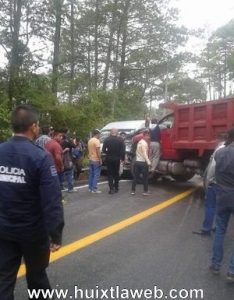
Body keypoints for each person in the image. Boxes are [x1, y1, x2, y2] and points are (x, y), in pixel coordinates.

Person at [0, 104, 64, 300]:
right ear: (34, 126)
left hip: (3, 229)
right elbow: (51, 199)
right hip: (33, 232)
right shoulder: (41, 157)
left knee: (3, 278)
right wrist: (55, 233)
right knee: (36, 276)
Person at [210, 128, 234, 282]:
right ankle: (231, 271)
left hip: (222, 195)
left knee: (220, 230)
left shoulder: (219, 152)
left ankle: (215, 264)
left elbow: (213, 172)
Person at [193, 142, 225, 236]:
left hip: (216, 183)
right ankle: (217, 227)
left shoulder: (221, 149)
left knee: (210, 206)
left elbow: (213, 167)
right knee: (221, 207)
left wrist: (208, 181)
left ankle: (206, 229)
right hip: (228, 186)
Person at [102, 128, 125, 194]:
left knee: (110, 174)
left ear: (111, 132)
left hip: (109, 158)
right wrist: (122, 159)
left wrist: (108, 152)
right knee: (116, 173)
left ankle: (111, 189)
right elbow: (122, 151)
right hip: (117, 158)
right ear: (117, 132)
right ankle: (116, 187)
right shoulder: (120, 140)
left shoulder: (107, 139)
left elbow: (103, 150)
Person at [131, 130, 151, 196]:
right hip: (143, 163)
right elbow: (145, 153)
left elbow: (137, 152)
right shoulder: (144, 143)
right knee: (145, 177)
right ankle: (145, 191)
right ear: (146, 136)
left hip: (137, 162)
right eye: (148, 136)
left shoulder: (139, 142)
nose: (149, 137)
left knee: (135, 177)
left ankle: (133, 191)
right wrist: (148, 162)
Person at [88, 129, 102, 193]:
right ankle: (94, 189)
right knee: (96, 174)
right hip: (96, 159)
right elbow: (98, 152)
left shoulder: (90, 140)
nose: (100, 135)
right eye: (100, 134)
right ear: (97, 134)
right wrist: (100, 159)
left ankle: (90, 188)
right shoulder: (97, 141)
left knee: (91, 174)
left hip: (90, 159)